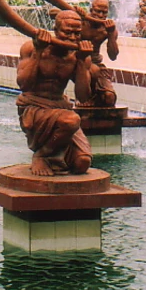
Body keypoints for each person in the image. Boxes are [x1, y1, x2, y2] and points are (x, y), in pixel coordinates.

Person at [16, 10, 93, 176]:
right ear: (56, 30)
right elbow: (23, 84)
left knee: (82, 163)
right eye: (67, 32)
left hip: (60, 106)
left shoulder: (78, 56)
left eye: (77, 33)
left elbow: (83, 97)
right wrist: (38, 52)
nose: (72, 38)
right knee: (72, 120)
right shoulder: (32, 48)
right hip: (34, 106)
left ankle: (54, 155)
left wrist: (81, 61)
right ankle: (42, 154)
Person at [73, 0, 119, 107]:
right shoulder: (80, 22)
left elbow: (113, 56)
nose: (100, 15)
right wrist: (74, 13)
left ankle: (95, 99)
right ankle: (83, 97)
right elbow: (54, 14)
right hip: (76, 59)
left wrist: (111, 34)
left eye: (104, 12)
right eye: (97, 11)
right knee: (92, 70)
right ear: (91, 10)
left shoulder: (107, 29)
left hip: (96, 62)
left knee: (109, 98)